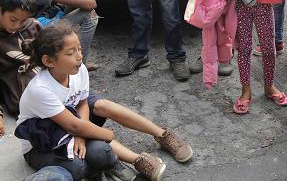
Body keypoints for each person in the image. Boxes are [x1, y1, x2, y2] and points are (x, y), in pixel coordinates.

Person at [17, 22, 193, 181]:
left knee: (100, 147)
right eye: (71, 53)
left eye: (79, 48)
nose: (79, 56)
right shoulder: (40, 89)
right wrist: (106, 135)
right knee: (78, 167)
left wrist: (81, 134)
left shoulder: (79, 70)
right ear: (48, 61)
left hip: (69, 127)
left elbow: (82, 103)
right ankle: (109, 165)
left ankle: (160, 137)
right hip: (41, 143)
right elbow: (74, 126)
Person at [0, 0, 39, 135]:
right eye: (13, 19)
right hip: (23, 102)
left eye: (22, 21)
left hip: (51, 89)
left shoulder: (32, 26)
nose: (17, 25)